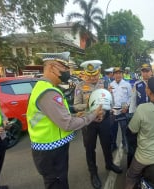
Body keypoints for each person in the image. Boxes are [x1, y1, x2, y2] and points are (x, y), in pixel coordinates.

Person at [26, 52, 103, 189]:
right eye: (64, 67)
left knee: (59, 182)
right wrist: (92, 114)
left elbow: (58, 117)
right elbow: (67, 124)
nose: (68, 71)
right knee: (57, 184)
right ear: (52, 67)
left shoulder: (47, 88)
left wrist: (74, 116)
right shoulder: (48, 92)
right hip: (50, 151)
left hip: (51, 147)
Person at [73, 60, 122, 189]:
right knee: (90, 148)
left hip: (104, 120)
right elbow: (76, 106)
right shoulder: (79, 86)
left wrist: (107, 106)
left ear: (99, 72)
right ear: (85, 74)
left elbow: (110, 102)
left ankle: (109, 164)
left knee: (107, 144)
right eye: (89, 75)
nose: (92, 78)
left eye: (95, 75)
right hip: (89, 122)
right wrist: (90, 105)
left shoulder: (104, 83)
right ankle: (93, 173)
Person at [127, 63, 153, 167]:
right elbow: (133, 101)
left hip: (153, 116)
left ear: (151, 71)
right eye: (143, 71)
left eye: (147, 71)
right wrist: (131, 114)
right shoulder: (137, 84)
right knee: (139, 139)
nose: (145, 73)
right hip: (141, 116)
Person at [109, 67, 132, 152]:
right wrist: (110, 108)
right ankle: (113, 145)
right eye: (116, 73)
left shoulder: (127, 84)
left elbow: (130, 97)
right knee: (112, 130)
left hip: (123, 110)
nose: (118, 75)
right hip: (113, 111)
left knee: (124, 129)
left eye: (119, 73)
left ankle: (125, 144)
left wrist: (126, 106)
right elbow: (109, 98)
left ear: (122, 74)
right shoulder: (111, 85)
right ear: (113, 75)